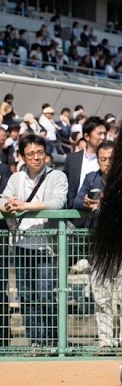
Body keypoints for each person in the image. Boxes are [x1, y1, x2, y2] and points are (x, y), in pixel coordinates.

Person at [0, 133, 69, 352]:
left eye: (40, 152)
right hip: (22, 245)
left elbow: (58, 203)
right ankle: (35, 342)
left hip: (47, 247)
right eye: (30, 154)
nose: (36, 157)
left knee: (46, 294)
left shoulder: (57, 176)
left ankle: (52, 342)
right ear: (22, 156)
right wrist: (7, 206)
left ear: (46, 154)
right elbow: (3, 199)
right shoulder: (16, 179)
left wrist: (24, 206)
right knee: (26, 296)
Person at [73, 141, 122, 351]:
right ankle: (106, 341)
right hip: (98, 247)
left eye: (111, 158)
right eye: (103, 159)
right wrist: (86, 202)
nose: (108, 163)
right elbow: (75, 200)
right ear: (98, 160)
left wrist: (106, 204)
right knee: (101, 297)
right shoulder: (91, 178)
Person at [63, 116, 108, 215]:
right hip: (75, 214)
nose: (103, 137)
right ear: (87, 136)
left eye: (104, 134)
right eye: (99, 134)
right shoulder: (72, 159)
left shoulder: (110, 160)